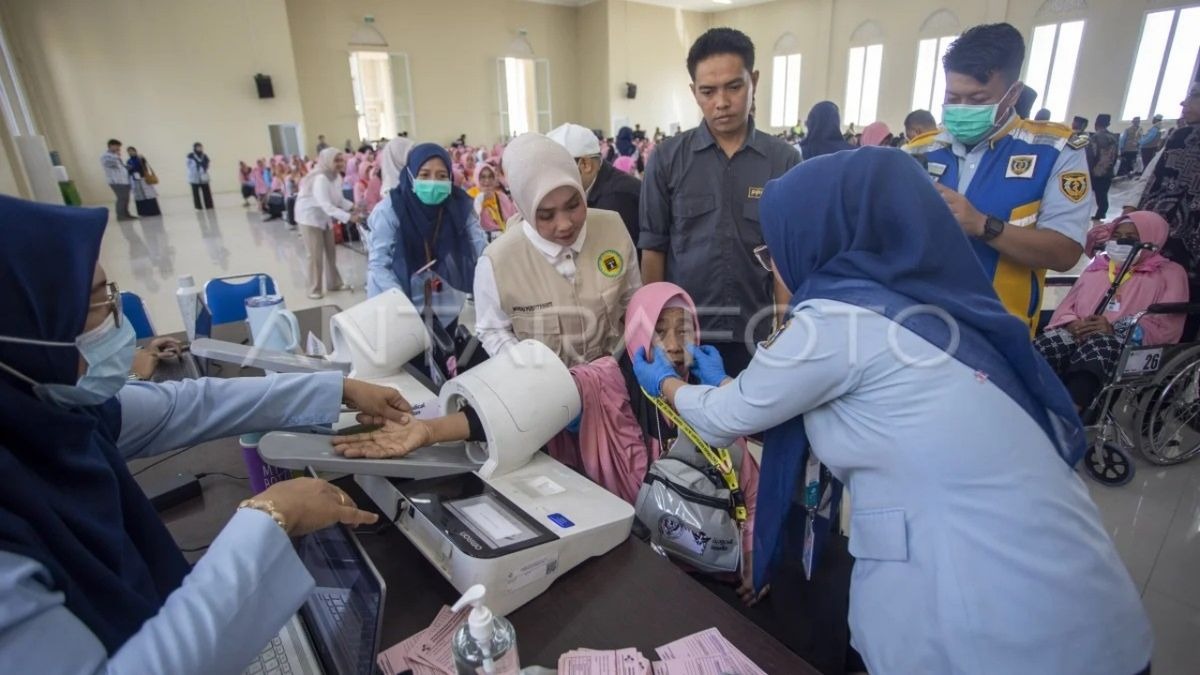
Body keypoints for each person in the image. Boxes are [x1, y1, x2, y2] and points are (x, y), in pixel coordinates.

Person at [630, 147, 1153, 675]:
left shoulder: (835, 320)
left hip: (985, 615)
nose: (779, 265)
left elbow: (726, 417)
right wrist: (728, 387)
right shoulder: (929, 299)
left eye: (775, 250)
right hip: (1079, 594)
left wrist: (670, 383)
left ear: (818, 235)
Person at [0, 194, 422, 673]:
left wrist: (337, 388)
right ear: (28, 329)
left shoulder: (53, 407)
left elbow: (188, 405)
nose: (118, 321)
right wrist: (270, 517)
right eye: (97, 304)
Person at [906, 23, 1091, 334]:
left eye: (978, 100)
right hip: (916, 324)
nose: (962, 109)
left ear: (1013, 93)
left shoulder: (1055, 152)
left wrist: (983, 226)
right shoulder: (919, 151)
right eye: (953, 97)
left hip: (1000, 337)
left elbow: (1065, 252)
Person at [640, 28, 800, 376]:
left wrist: (784, 334)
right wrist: (657, 331)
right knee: (686, 430)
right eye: (707, 92)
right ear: (693, 92)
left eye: (734, 86)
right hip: (685, 338)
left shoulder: (783, 161)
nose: (721, 102)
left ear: (753, 80)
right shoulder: (667, 159)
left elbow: (785, 260)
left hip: (755, 336)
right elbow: (654, 249)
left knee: (754, 430)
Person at [474, 132, 641, 366]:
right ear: (524, 208)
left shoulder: (612, 228)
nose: (564, 224)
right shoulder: (498, 262)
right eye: (546, 215)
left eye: (574, 205)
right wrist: (533, 370)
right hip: (546, 391)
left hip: (613, 376)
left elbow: (631, 298)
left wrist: (620, 360)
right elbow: (493, 329)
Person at [1037, 211, 1187, 412]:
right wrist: (1072, 323)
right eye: (1117, 236)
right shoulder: (1099, 266)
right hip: (1080, 332)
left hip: (1128, 346)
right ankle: (1028, 403)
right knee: (1050, 344)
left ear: (1152, 239)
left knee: (1099, 348)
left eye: (1132, 238)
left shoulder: (1170, 273)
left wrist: (1114, 329)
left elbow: (1167, 323)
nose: (1122, 242)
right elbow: (1068, 304)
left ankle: (1068, 417)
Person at [365, 143, 486, 326]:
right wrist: (403, 306)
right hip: (396, 300)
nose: (433, 182)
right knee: (409, 352)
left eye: (442, 176)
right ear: (411, 176)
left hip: (445, 303)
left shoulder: (457, 206)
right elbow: (379, 264)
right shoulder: (390, 210)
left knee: (447, 351)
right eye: (424, 175)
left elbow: (480, 246)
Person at [1135, 83, 1200, 339]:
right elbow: (1154, 184)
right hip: (1166, 246)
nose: (1184, 105)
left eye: (1193, 97)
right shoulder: (1180, 137)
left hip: (1181, 253)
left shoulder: (1182, 137)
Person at [549, 123, 642, 248]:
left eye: (558, 170)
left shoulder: (616, 199)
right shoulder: (598, 187)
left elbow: (613, 258)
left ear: (586, 165)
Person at [294, 148, 353, 299]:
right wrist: (348, 217)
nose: (340, 163)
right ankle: (314, 289)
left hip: (325, 216)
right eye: (336, 160)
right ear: (327, 161)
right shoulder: (320, 178)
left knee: (331, 252)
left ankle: (334, 283)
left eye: (341, 160)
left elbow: (338, 200)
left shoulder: (336, 177)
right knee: (315, 255)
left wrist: (353, 207)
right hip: (310, 218)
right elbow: (326, 205)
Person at [1088, 114, 1120, 221]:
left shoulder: (1095, 137)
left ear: (1096, 123)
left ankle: (1090, 213)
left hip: (1096, 171)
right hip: (1108, 171)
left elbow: (1092, 154)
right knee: (1102, 194)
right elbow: (1115, 155)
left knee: (1089, 193)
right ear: (1108, 124)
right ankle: (1101, 212)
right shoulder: (1113, 137)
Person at [472, 162, 516, 238]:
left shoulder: (501, 197)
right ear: (476, 178)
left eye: (490, 176)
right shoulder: (471, 197)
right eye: (483, 177)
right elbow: (472, 225)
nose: (487, 180)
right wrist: (479, 201)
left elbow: (514, 218)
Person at [100, 139, 134, 221]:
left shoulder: (114, 155)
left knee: (126, 198)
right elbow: (111, 164)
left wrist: (127, 167)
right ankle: (121, 216)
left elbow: (120, 166)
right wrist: (117, 156)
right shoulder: (105, 156)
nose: (119, 148)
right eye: (117, 146)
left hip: (124, 181)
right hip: (116, 181)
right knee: (121, 198)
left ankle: (126, 214)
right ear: (111, 145)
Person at [124, 146, 160, 217]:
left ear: (135, 151)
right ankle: (143, 212)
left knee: (148, 194)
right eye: (129, 151)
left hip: (144, 179)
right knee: (139, 196)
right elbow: (129, 170)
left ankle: (153, 211)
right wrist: (129, 169)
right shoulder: (128, 161)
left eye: (132, 151)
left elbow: (144, 165)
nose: (131, 152)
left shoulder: (140, 158)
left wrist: (142, 159)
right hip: (135, 180)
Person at [186, 143, 214, 211]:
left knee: (206, 192)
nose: (199, 148)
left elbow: (207, 163)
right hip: (194, 177)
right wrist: (195, 170)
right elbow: (188, 165)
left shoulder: (204, 156)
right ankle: (198, 207)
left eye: (200, 147)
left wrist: (204, 167)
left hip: (203, 176)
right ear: (195, 148)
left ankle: (209, 205)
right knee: (195, 193)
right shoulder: (190, 156)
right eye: (198, 147)